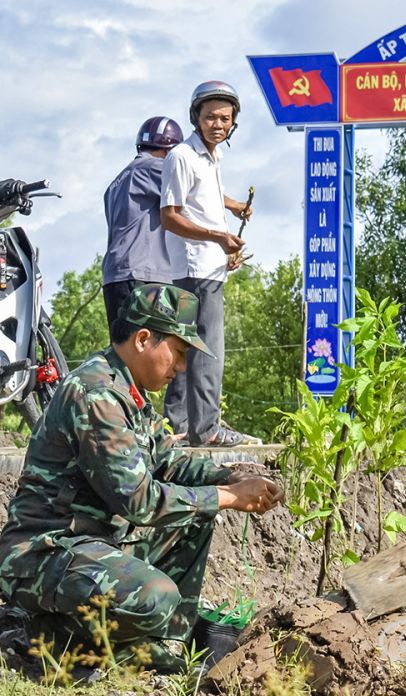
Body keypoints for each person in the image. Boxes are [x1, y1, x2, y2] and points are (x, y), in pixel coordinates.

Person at [0, 284, 283, 671]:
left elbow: (169, 463)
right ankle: (47, 636)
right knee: (155, 596)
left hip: (92, 545)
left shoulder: (128, 392)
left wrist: (233, 474)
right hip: (44, 553)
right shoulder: (96, 395)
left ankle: (162, 644)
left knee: (195, 515)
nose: (180, 368)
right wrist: (229, 495)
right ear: (144, 338)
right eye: (179, 353)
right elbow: (140, 501)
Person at [160, 80, 252, 447]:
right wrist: (218, 238)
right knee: (208, 351)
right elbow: (170, 215)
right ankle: (208, 429)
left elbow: (205, 199)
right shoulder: (182, 156)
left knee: (185, 351)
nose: (218, 124)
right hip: (194, 270)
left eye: (225, 118)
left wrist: (232, 210)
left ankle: (183, 427)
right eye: (210, 116)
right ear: (195, 118)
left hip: (205, 266)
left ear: (233, 123)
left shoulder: (211, 157)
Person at [102, 116, 184, 335]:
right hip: (147, 277)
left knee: (126, 357)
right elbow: (194, 192)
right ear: (170, 152)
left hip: (115, 278)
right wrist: (233, 205)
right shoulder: (155, 167)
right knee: (156, 354)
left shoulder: (116, 182)